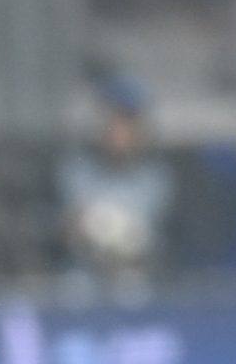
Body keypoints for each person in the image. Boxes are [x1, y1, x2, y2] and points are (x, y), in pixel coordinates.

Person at [55, 74, 175, 294]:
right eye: (113, 121)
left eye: (127, 122)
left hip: (137, 280)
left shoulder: (157, 178)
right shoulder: (75, 171)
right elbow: (68, 232)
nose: (119, 132)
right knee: (74, 289)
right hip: (83, 278)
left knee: (134, 289)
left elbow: (152, 241)